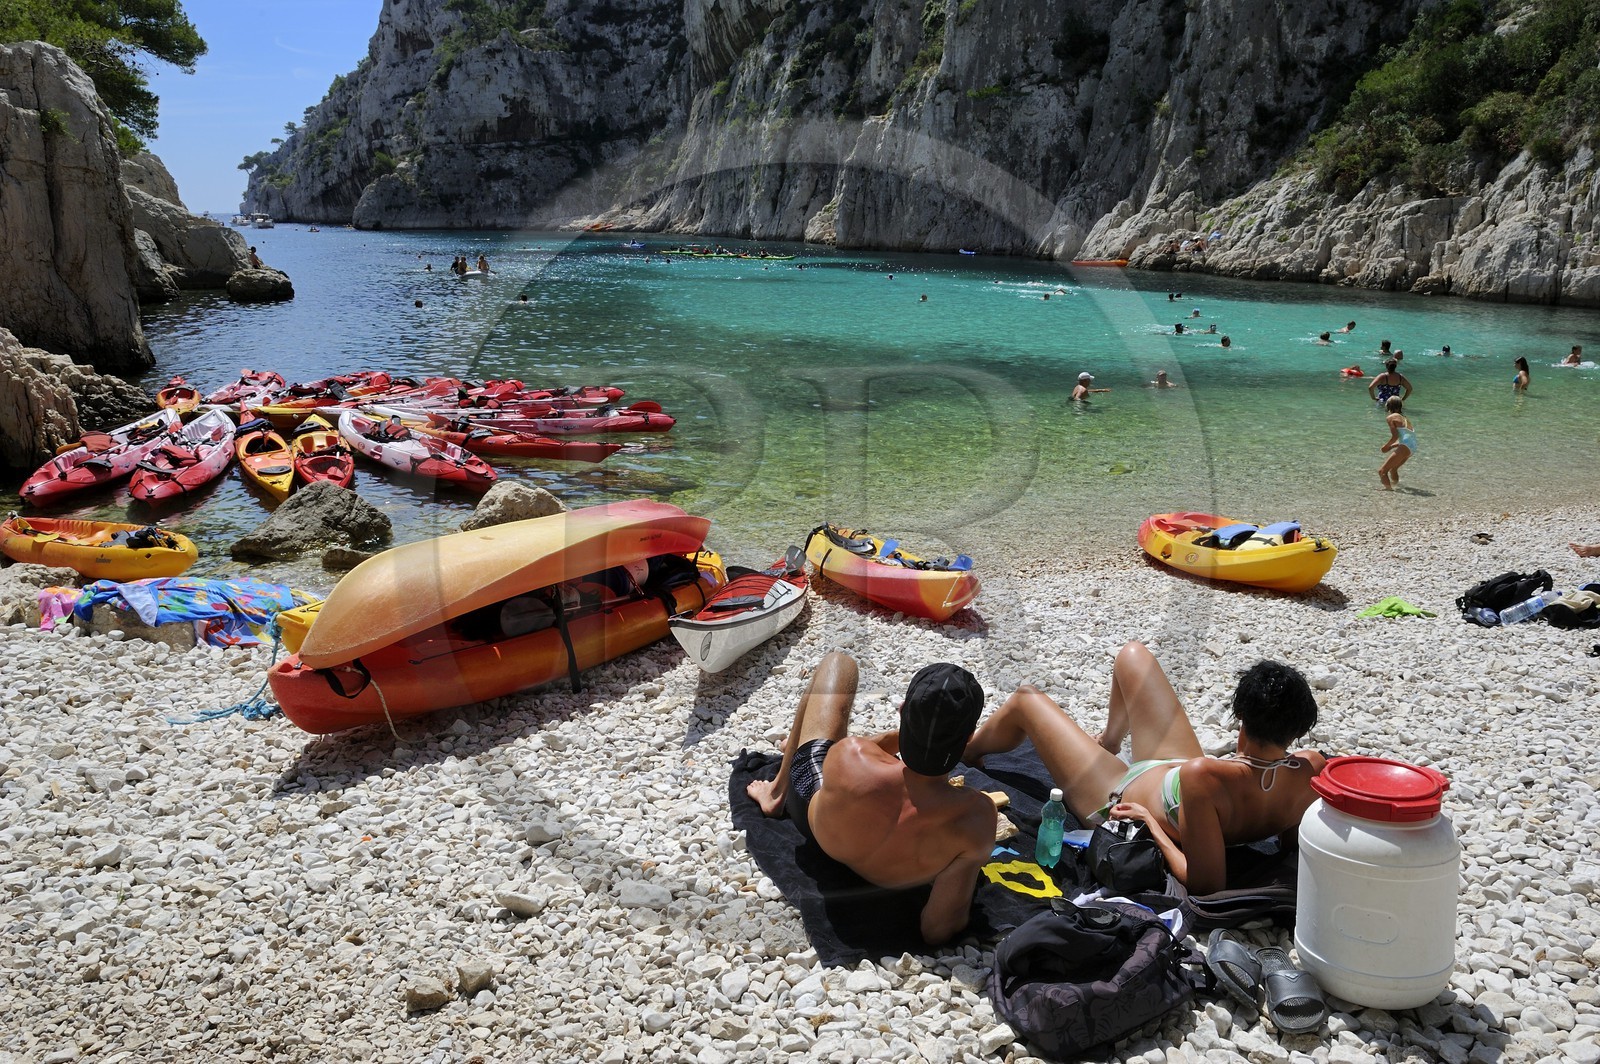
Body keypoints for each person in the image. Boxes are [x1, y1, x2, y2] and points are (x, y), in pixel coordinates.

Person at [962, 643, 1325, 894]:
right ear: (1297, 729)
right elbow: (1289, 845)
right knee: (1132, 655)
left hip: (1117, 793)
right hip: (1175, 770)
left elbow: (1206, 883)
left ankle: (967, 751)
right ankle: (1109, 741)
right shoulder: (1311, 768)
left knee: (1026, 699)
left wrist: (1151, 824)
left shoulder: (1206, 777)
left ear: (1241, 716)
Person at [746, 654, 997, 945]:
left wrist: (910, 733)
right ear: (969, 736)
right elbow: (937, 930)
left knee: (839, 664)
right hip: (894, 880)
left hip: (815, 828)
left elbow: (867, 751)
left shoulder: (852, 753)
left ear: (902, 712)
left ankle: (776, 793)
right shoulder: (976, 817)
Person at [1379, 395, 1416, 490]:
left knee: (1382, 471)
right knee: (1393, 469)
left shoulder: (1391, 417)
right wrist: (1392, 447)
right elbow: (1408, 437)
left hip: (1405, 446)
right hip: (1413, 447)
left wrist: (1386, 446)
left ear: (1388, 406)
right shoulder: (1405, 418)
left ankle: (1389, 491)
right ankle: (1395, 486)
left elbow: (1395, 436)